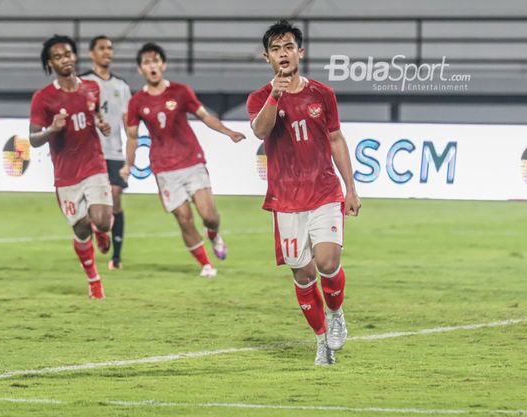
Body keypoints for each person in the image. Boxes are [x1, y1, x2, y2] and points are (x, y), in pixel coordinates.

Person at [246, 20, 361, 365]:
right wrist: (276, 95)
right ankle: (322, 339)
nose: (283, 54)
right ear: (267, 57)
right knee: (302, 273)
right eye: (276, 49)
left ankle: (336, 314)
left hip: (324, 190)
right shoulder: (259, 98)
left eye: (289, 47)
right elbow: (260, 131)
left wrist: (351, 188)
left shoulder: (322, 94)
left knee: (327, 260)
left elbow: (337, 139)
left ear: (300, 52)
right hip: (286, 199)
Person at [119, 42, 246, 278]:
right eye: (147, 62)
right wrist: (128, 164)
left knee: (209, 215)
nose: (152, 65)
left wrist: (227, 132)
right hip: (164, 168)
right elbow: (133, 137)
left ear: (163, 65)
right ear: (140, 70)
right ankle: (207, 265)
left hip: (191, 161)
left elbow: (205, 117)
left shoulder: (180, 91)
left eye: (156, 60)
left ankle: (214, 234)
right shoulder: (136, 102)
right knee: (184, 219)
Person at [29, 34, 113, 299]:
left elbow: (95, 112)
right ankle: (93, 280)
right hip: (66, 175)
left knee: (101, 219)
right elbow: (32, 138)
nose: (64, 59)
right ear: (49, 64)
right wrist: (51, 129)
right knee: (80, 229)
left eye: (67, 54)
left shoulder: (91, 87)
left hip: (94, 164)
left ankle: (102, 231)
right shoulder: (43, 98)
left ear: (75, 56)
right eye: (57, 57)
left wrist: (102, 123)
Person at [81, 35, 132, 270]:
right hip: (89, 153)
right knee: (93, 207)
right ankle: (95, 243)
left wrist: (128, 160)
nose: (107, 52)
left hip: (114, 153)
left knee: (116, 197)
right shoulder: (82, 83)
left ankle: (117, 257)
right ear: (92, 54)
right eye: (101, 48)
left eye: (110, 48)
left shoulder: (121, 87)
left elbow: (129, 126)